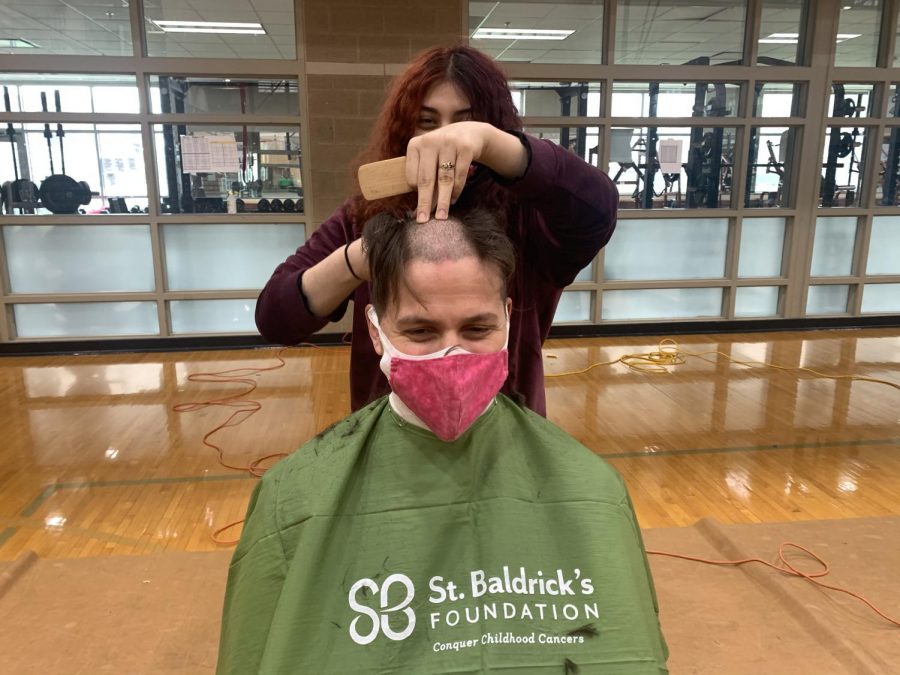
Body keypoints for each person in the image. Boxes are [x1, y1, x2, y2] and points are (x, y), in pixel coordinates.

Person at [218, 210, 668, 674]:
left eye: (476, 329)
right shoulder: (291, 497)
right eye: (420, 332)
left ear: (509, 320)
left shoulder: (594, 489)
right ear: (375, 330)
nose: (451, 354)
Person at [255, 44, 618, 417]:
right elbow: (276, 318)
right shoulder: (364, 216)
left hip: (505, 435)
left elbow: (597, 207)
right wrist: (360, 258)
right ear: (405, 130)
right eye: (427, 122)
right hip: (391, 437)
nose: (445, 140)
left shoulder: (532, 220)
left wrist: (494, 146)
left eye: (466, 122)